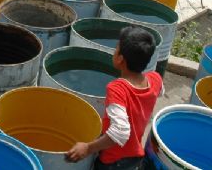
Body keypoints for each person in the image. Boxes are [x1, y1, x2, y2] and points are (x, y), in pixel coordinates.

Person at [66, 27, 164, 170]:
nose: (114, 51)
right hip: (134, 157)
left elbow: (120, 132)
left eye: (116, 49)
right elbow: (160, 91)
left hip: (114, 162)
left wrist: (88, 148)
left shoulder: (117, 89)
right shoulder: (155, 79)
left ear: (120, 59)